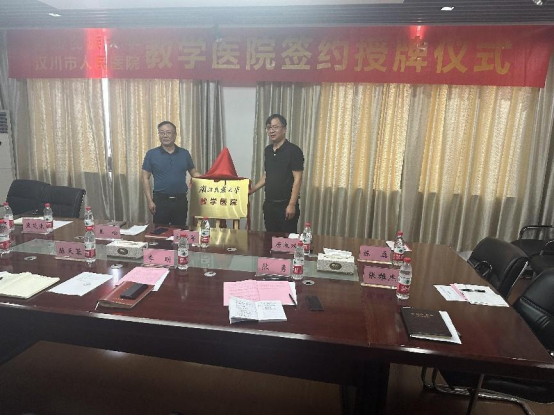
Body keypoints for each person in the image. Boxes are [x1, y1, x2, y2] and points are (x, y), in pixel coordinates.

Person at [250, 114, 304, 233]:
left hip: (286, 205)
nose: (271, 130)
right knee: (270, 239)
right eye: (269, 127)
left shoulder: (294, 151)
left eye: (275, 127)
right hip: (269, 204)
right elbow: (268, 175)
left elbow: (298, 179)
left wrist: (292, 204)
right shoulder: (268, 150)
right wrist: (251, 190)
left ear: (284, 129)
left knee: (287, 240)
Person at [142, 121, 201, 227]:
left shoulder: (184, 153)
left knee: (180, 231)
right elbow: (145, 178)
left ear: (175, 135)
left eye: (168, 132)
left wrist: (209, 179)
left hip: (180, 201)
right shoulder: (151, 154)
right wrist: (150, 201)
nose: (165, 135)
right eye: (161, 132)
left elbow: (193, 172)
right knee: (160, 231)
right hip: (160, 201)